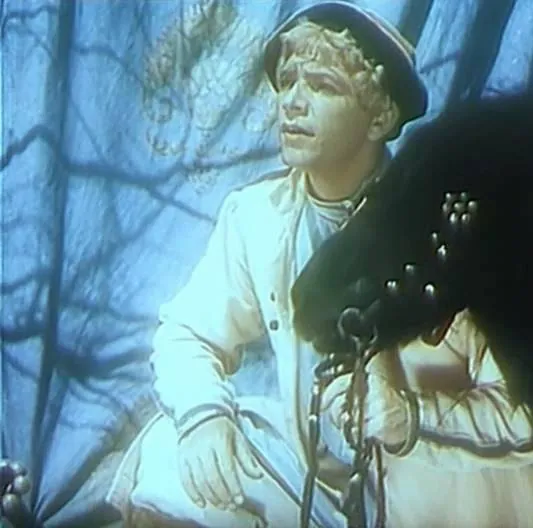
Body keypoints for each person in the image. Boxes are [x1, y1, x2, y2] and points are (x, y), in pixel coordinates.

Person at [106, 2, 428, 527]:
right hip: (308, 475)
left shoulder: (430, 223)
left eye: (321, 86)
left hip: (418, 489)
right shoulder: (259, 216)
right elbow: (188, 331)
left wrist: (409, 417)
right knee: (169, 454)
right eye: (288, 82)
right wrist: (205, 416)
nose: (292, 103)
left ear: (380, 116)